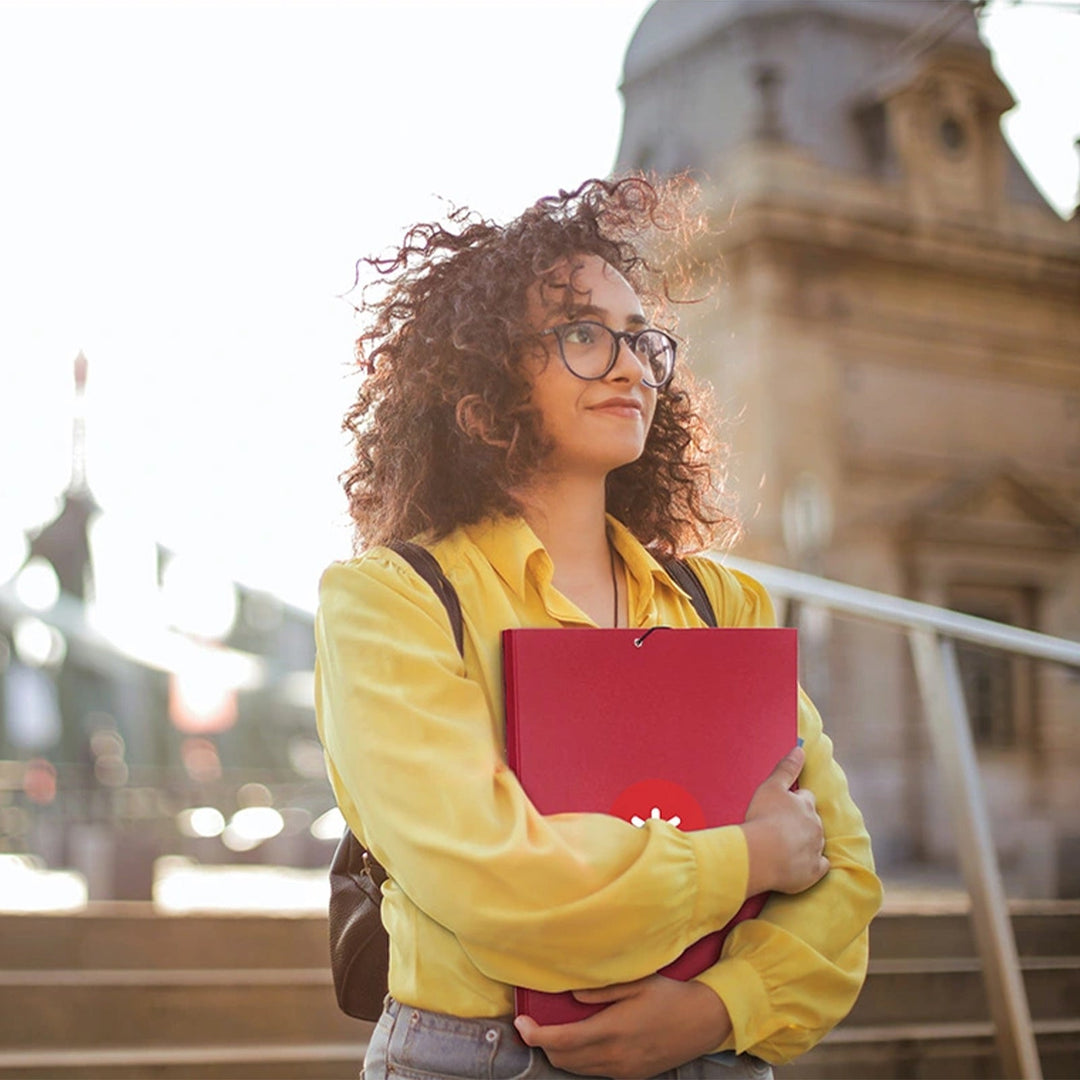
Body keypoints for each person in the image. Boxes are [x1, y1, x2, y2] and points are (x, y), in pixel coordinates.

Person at [314, 176, 882, 1080]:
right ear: (479, 388)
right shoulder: (392, 601)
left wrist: (716, 1011)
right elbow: (497, 881)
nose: (627, 366)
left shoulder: (719, 606)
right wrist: (749, 859)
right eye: (582, 333)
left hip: (718, 1057)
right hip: (477, 1060)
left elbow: (844, 877)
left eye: (639, 340)